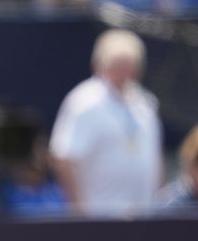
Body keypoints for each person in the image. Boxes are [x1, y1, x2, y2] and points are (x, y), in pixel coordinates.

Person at [50, 29, 163, 217]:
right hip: (99, 217)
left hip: (144, 216)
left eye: (129, 66)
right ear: (100, 65)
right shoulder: (84, 101)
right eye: (117, 65)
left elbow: (154, 156)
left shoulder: (145, 102)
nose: (124, 73)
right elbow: (63, 158)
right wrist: (79, 210)